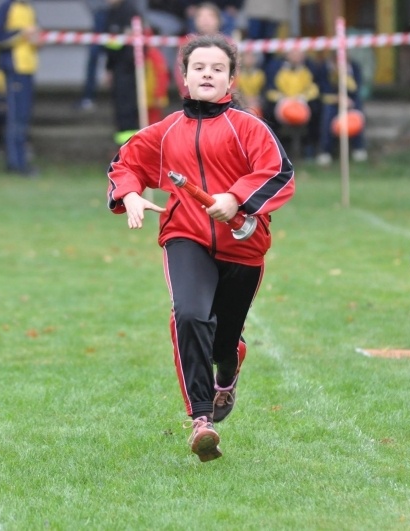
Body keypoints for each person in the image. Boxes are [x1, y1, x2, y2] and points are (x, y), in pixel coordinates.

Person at [106, 35, 295, 461]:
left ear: (230, 77)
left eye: (216, 68)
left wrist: (236, 198)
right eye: (199, 67)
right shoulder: (166, 130)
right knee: (189, 316)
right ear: (185, 77)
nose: (207, 73)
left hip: (244, 246)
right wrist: (130, 193)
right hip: (185, 235)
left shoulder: (249, 127)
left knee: (221, 345)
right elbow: (124, 164)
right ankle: (202, 419)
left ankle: (229, 366)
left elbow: (279, 173)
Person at [0, 0, 42, 177]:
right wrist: (22, 33)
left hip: (28, 68)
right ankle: (16, 163)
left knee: (23, 118)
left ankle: (20, 161)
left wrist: (36, 40)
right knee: (16, 118)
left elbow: (34, 38)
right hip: (14, 68)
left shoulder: (29, 8)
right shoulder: (6, 7)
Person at [103, 0, 141, 145]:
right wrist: (109, 68)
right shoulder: (111, 12)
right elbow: (110, 43)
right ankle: (122, 148)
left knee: (127, 108)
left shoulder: (129, 11)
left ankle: (129, 147)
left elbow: (119, 42)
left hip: (128, 69)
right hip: (117, 67)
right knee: (120, 108)